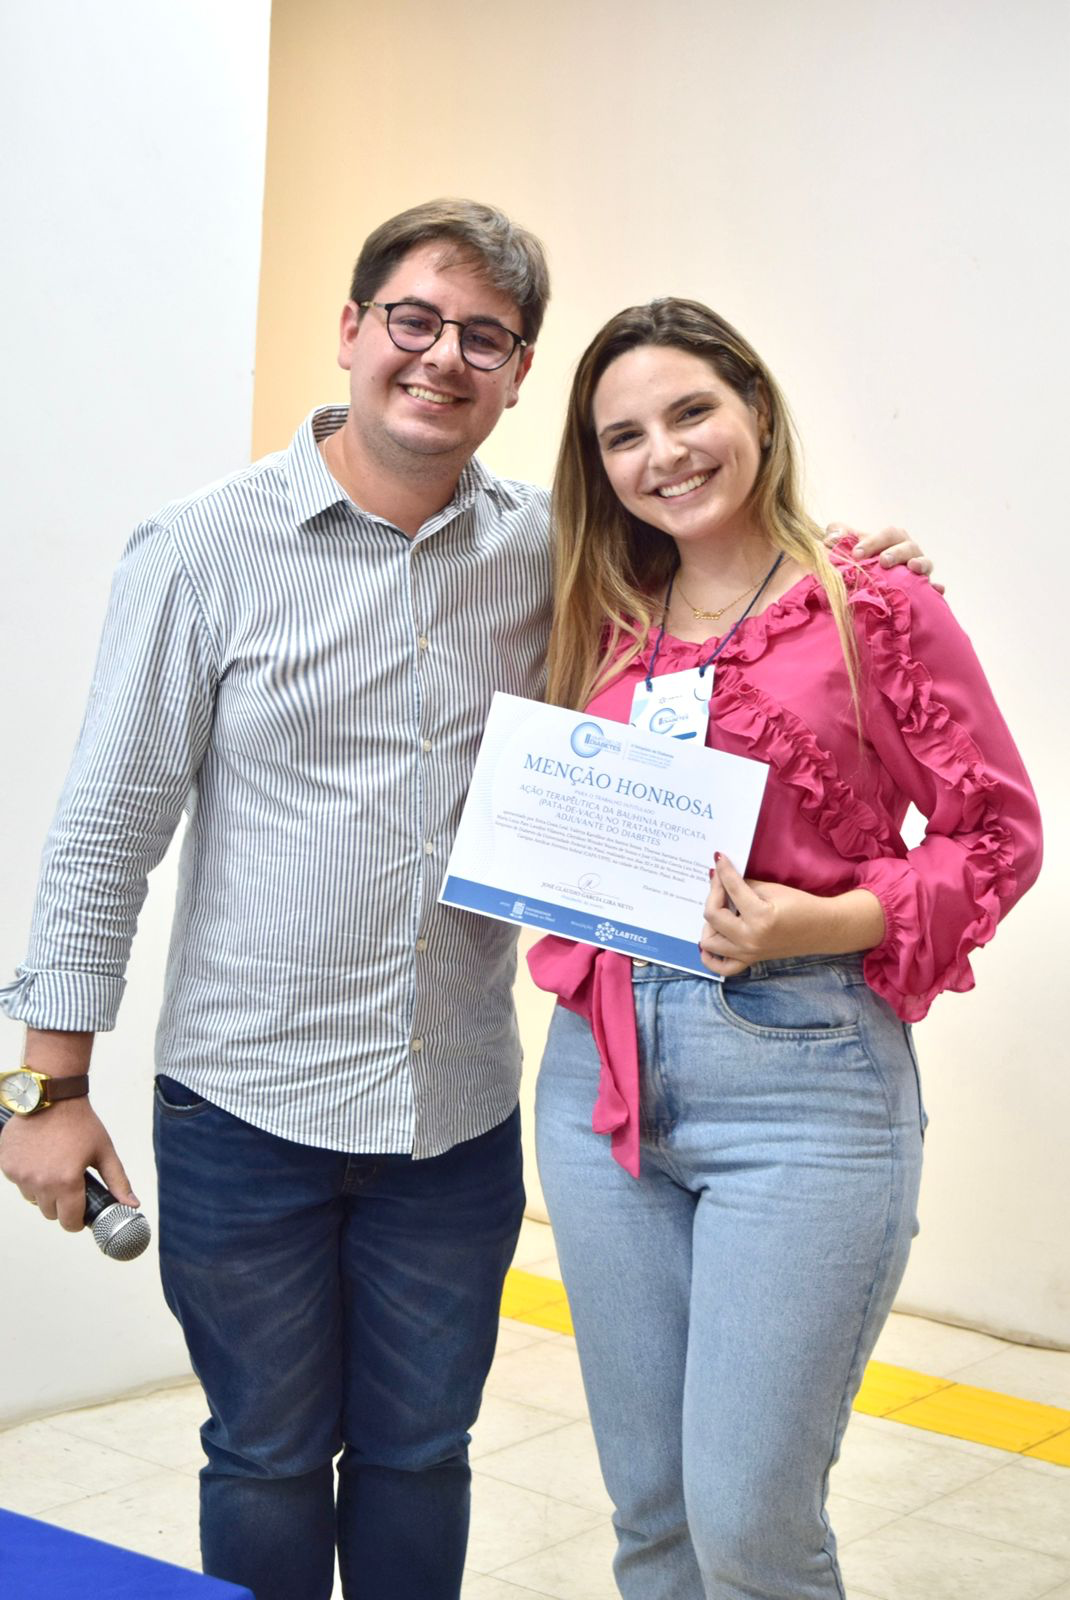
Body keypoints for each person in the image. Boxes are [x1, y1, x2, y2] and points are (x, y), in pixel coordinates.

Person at [0, 200, 932, 1600]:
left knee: (422, 1454)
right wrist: (42, 1087)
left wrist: (858, 573)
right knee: (260, 1452)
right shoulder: (201, 550)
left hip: (457, 1121)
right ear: (353, 331)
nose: (441, 358)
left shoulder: (559, 556)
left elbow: (730, 587)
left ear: (515, 370)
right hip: (242, 1111)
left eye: (482, 339)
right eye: (414, 322)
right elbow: (104, 828)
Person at [529, 298, 1041, 1600]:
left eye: (691, 410)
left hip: (803, 1082)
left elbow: (996, 833)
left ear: (755, 407)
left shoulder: (872, 604)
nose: (665, 453)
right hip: (596, 1087)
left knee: (749, 1523)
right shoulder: (595, 616)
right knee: (651, 1518)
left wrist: (835, 918)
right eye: (623, 435)